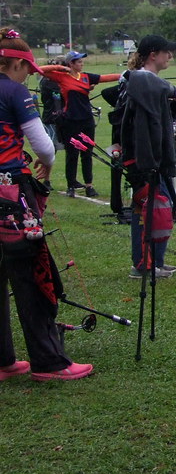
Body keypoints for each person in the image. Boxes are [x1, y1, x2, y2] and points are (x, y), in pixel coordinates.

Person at [0, 27, 93, 381]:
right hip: (10, 197)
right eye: (27, 69)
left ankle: (4, 360)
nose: (29, 75)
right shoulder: (15, 92)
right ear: (16, 65)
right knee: (30, 277)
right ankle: (48, 361)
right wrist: (49, 164)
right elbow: (44, 146)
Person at [119, 35, 176, 280]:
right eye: (166, 52)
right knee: (148, 210)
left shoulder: (147, 82)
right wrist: (173, 91)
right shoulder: (140, 80)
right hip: (144, 160)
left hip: (155, 157)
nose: (170, 57)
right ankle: (143, 264)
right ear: (153, 54)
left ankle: (155, 260)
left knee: (159, 208)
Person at [40, 50, 120, 197]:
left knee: (87, 153)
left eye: (82, 61)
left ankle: (89, 185)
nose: (82, 64)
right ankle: (71, 185)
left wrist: (125, 75)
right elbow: (39, 70)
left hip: (87, 120)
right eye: (78, 62)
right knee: (72, 154)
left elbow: (105, 78)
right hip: (70, 121)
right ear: (71, 63)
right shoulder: (62, 77)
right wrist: (60, 68)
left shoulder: (86, 77)